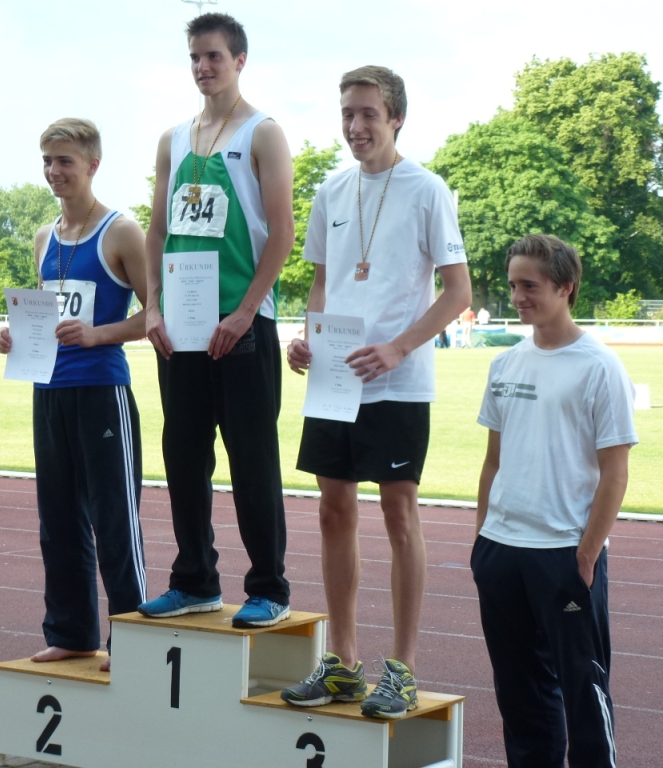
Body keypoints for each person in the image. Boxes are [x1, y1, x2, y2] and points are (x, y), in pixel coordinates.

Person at [281, 65, 471, 719]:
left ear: (396, 119)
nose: (356, 126)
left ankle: (404, 669)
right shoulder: (330, 191)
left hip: (398, 381)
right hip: (335, 379)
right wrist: (307, 338)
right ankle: (342, 663)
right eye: (347, 114)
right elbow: (322, 284)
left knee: (398, 513)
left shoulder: (427, 190)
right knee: (332, 512)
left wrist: (398, 347)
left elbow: (458, 292)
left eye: (368, 113)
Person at [137, 13, 295, 628]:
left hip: (242, 323)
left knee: (252, 458)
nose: (203, 67)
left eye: (214, 57)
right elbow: (157, 230)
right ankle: (194, 581)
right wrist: (153, 306)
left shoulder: (263, 133)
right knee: (183, 456)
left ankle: (269, 588)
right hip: (182, 324)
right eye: (196, 58)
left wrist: (247, 310)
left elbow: (281, 233)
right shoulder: (173, 139)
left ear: (239, 61)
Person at [471, 234, 637, 767]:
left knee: (583, 691)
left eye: (530, 285)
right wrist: (482, 539)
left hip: (563, 552)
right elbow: (493, 461)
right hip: (501, 551)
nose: (517, 297)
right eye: (512, 285)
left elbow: (615, 471)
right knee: (519, 695)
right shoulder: (505, 364)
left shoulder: (599, 366)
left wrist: (586, 554)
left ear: (565, 288)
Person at [0, 118, 149, 673]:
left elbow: (156, 316)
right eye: (47, 161)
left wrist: (97, 334)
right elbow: (48, 313)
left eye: (64, 161)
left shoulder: (121, 231)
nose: (53, 171)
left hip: (102, 390)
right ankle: (72, 633)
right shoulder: (44, 237)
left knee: (114, 519)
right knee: (58, 520)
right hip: (49, 390)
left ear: (92, 165)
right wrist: (16, 336)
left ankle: (131, 635)